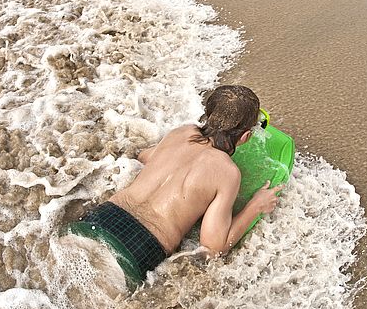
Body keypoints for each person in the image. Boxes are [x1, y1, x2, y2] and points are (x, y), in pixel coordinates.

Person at [76, 85, 284, 287]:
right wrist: (255, 205)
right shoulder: (228, 172)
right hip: (138, 246)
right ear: (246, 136)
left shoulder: (181, 132)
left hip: (100, 219)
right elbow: (214, 247)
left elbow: (144, 156)